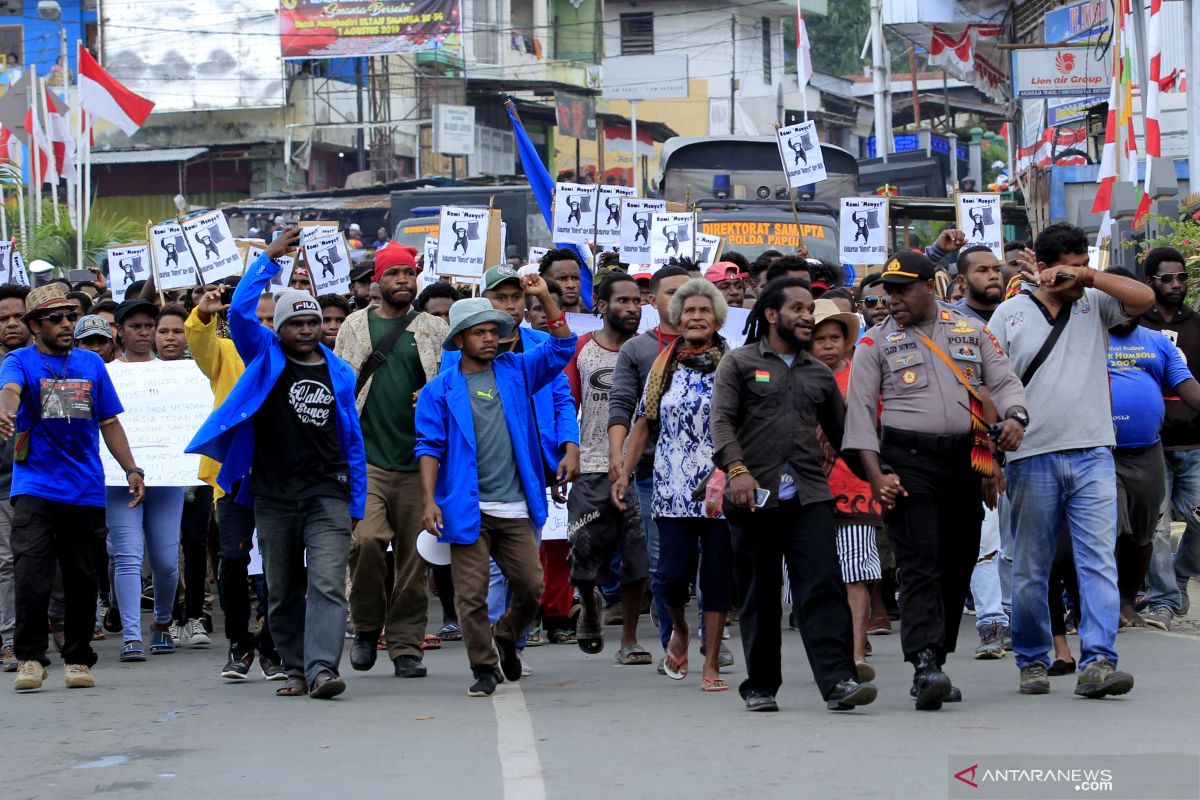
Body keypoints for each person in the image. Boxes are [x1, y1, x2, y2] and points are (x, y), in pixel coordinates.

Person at [188, 228, 368, 700]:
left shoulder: (341, 372)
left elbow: (352, 439)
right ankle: (293, 667)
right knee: (283, 589)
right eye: (296, 323)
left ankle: (323, 669)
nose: (306, 330)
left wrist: (358, 497)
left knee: (328, 583)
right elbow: (242, 311)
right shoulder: (263, 357)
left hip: (327, 491)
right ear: (280, 329)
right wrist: (267, 258)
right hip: (271, 494)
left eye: (312, 323)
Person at [844, 251, 1027, 710]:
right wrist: (875, 475)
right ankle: (923, 661)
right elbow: (861, 418)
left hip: (966, 459)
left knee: (959, 558)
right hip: (907, 461)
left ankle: (937, 661)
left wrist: (1015, 419)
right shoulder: (874, 344)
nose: (893, 299)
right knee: (921, 559)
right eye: (889, 290)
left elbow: (1001, 384)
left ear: (933, 286)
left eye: (903, 289)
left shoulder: (971, 330)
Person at [990, 222, 1153, 698]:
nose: (1074, 276)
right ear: (1039, 268)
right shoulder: (1009, 314)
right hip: (1031, 456)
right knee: (1031, 567)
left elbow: (1142, 298)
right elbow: (988, 381)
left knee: (1098, 561)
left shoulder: (1094, 301)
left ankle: (1099, 661)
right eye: (1065, 267)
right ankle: (1033, 660)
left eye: (1082, 266)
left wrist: (1090, 279)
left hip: (1093, 453)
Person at [710, 281, 876, 712]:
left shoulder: (818, 373)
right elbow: (723, 423)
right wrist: (738, 472)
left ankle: (839, 681)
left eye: (811, 310)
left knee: (823, 589)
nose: (808, 317)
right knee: (760, 594)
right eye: (799, 309)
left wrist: (880, 476)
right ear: (770, 314)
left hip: (809, 498)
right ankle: (761, 686)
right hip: (753, 499)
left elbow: (845, 439)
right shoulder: (739, 363)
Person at [415, 277, 576, 697]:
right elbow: (429, 448)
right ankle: (484, 667)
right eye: (480, 332)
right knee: (471, 596)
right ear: (460, 339)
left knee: (531, 586)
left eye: (494, 331)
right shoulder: (439, 391)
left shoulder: (518, 371)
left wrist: (541, 294)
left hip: (517, 505)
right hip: (467, 508)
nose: (490, 339)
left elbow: (562, 348)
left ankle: (506, 634)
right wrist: (429, 500)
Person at [1, 284, 145, 691]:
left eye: (69, 317)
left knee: (82, 576)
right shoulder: (18, 361)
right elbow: (9, 391)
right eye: (55, 319)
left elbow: (109, 422)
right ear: (33, 326)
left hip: (83, 488)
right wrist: (6, 413)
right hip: (34, 486)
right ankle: (30, 657)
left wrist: (132, 469)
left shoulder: (91, 364)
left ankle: (78, 659)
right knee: (30, 571)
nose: (66, 325)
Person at [612, 279, 734, 692]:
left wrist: (733, 470)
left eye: (704, 311)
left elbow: (746, 424)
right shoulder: (664, 364)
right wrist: (625, 473)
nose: (696, 317)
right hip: (671, 484)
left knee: (717, 577)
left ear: (717, 319)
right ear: (676, 318)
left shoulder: (733, 364)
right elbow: (643, 423)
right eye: (689, 311)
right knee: (668, 576)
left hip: (719, 485)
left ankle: (711, 663)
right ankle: (679, 629)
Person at [334, 242, 449, 677]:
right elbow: (342, 386)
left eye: (409, 272)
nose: (404, 280)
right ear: (376, 282)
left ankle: (406, 647)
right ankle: (365, 627)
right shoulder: (353, 327)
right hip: (367, 460)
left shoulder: (433, 328)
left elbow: (447, 381)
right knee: (365, 542)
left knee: (413, 558)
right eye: (395, 273)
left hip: (419, 462)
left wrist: (430, 396)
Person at [186, 283, 285, 680]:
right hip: (232, 477)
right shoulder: (225, 353)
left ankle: (273, 645)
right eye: (255, 318)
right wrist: (205, 314)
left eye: (268, 319)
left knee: (282, 565)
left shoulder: (290, 357)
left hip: (280, 477)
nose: (262, 325)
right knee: (232, 561)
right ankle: (238, 644)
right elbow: (199, 343)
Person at [607, 266, 698, 662]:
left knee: (711, 560)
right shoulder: (639, 350)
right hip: (651, 473)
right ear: (654, 300)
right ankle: (671, 641)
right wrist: (618, 459)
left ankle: (714, 642)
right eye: (673, 293)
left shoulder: (719, 348)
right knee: (664, 562)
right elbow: (623, 407)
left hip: (706, 474)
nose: (682, 302)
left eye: (691, 294)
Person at [1104, 268, 1200, 630]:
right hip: (1100, 452)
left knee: (1142, 534)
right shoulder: (1083, 340)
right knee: (1107, 528)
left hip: (1147, 451)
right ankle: (1100, 605)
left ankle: (1127, 603)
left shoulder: (1159, 342)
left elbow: (1187, 386)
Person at [562, 272, 650, 663]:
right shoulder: (583, 349)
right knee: (583, 551)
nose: (632, 309)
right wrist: (568, 453)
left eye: (637, 302)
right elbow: (566, 406)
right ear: (601, 306)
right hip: (592, 466)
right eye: (623, 301)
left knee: (637, 557)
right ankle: (589, 603)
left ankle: (629, 637)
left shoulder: (650, 352)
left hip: (639, 468)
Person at [105, 299, 187, 661]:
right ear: (119, 331)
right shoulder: (104, 372)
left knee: (167, 561)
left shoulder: (180, 374)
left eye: (147, 325)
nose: (143, 332)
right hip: (117, 478)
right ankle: (132, 636)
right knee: (128, 555)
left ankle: (162, 622)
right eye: (134, 326)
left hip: (167, 477)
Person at [807, 297, 881, 680]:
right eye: (820, 339)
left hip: (854, 488)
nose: (829, 344)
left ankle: (856, 652)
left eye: (835, 337)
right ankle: (832, 652)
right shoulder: (798, 378)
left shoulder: (861, 377)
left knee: (856, 575)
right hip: (808, 493)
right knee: (822, 579)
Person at [1139, 247, 1200, 627]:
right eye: (1168, 278)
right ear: (1150, 283)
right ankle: (1162, 599)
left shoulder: (1197, 324)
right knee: (1156, 530)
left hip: (1195, 443)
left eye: (1182, 277)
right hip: (1151, 445)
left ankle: (1178, 577)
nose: (1177, 285)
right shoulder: (1135, 323)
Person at [0, 284, 29, 671]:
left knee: (46, 560)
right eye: (2, 319)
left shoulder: (53, 361)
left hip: (48, 479)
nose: (10, 324)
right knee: (7, 562)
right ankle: (10, 639)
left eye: (17, 316)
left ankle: (54, 623)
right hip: (5, 482)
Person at [953, 245, 1005, 323]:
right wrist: (938, 250)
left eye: (997, 270)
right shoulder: (952, 317)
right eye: (982, 270)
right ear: (962, 281)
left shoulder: (1014, 314)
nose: (994, 276)